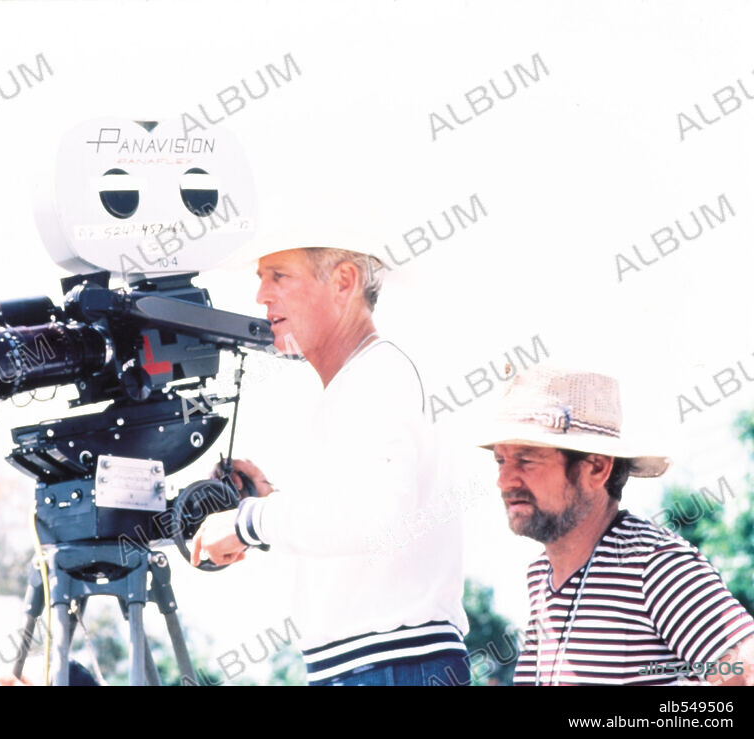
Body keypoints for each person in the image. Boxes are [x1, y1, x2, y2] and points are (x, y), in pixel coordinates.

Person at [191, 245, 470, 686]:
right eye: (261, 277)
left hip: (390, 666)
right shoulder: (359, 380)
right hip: (374, 666)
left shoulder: (376, 374)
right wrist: (268, 503)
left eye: (279, 276)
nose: (261, 295)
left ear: (344, 282)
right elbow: (355, 521)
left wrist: (249, 520)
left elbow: (376, 518)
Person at [477, 366, 754, 685]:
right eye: (501, 460)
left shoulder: (654, 563)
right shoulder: (541, 575)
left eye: (526, 459)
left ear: (596, 467)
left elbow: (743, 671)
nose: (503, 481)